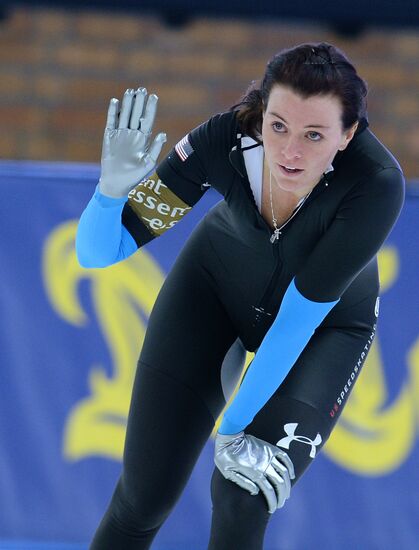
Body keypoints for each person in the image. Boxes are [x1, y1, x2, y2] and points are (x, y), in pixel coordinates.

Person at [76, 42, 405, 550]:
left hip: (324, 328)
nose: (290, 152)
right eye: (278, 126)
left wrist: (235, 427)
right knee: (142, 499)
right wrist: (110, 192)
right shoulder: (223, 140)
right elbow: (101, 252)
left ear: (348, 135)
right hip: (214, 290)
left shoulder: (376, 184)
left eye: (313, 135)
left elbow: (298, 318)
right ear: (260, 115)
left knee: (242, 490)